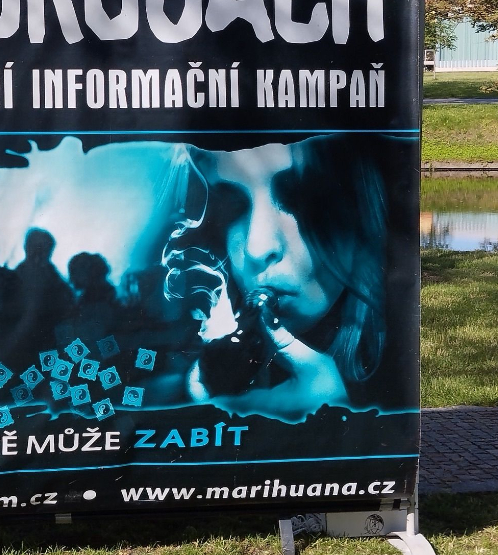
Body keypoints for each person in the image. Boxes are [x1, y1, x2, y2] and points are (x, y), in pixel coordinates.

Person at [164, 135, 388, 420]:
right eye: (234, 205)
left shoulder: (400, 379)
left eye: (298, 199)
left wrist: (326, 428)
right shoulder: (197, 360)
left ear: (360, 213)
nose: (256, 247)